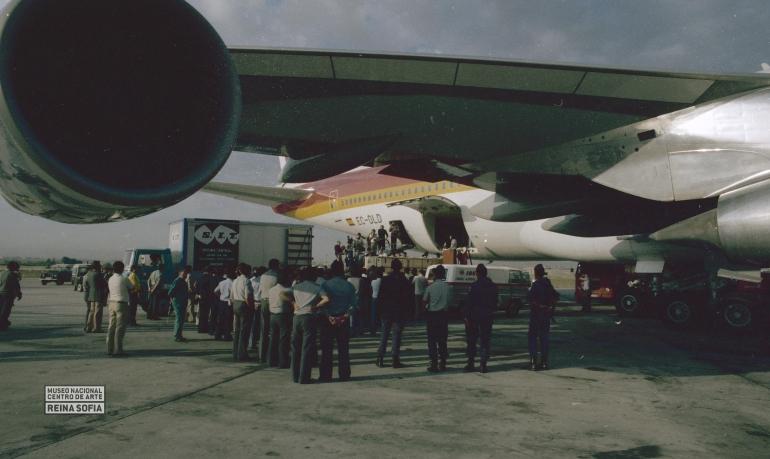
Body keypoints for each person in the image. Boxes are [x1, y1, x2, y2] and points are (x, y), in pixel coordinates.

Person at [316, 260, 357, 381]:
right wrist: (344, 316)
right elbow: (353, 305)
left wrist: (329, 316)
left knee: (326, 349)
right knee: (343, 349)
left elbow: (322, 305)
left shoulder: (325, 285)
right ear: (342, 270)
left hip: (328, 320)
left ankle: (325, 375)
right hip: (343, 320)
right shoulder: (349, 286)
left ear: (332, 271)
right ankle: (344, 374)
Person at [376, 259, 412, 368]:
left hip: (386, 311)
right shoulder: (404, 280)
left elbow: (380, 297)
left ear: (391, 267)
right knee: (397, 335)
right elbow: (408, 298)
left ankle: (380, 358)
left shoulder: (385, 279)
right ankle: (395, 359)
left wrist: (379, 311)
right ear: (400, 267)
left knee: (384, 334)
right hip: (399, 311)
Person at [289, 268, 322, 384]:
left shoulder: (296, 286)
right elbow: (327, 298)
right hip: (309, 317)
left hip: (296, 317)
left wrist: (293, 303)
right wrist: (316, 306)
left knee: (295, 348)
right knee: (306, 348)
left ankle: (295, 376)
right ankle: (304, 378)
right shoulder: (317, 287)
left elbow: (282, 293)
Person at [465, 264, 497, 373]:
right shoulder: (493, 286)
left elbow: (469, 303)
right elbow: (495, 302)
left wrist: (467, 317)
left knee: (472, 340)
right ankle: (483, 364)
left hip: (474, 316)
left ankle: (471, 362)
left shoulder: (474, 286)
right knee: (485, 340)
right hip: (487, 315)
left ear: (477, 273)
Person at [528, 264, 558, 370]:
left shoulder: (536, 285)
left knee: (533, 338)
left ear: (536, 273)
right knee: (544, 339)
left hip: (536, 315)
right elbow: (555, 297)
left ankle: (533, 362)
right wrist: (551, 309)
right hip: (546, 315)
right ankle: (544, 362)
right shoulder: (548, 284)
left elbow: (530, 299)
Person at [423, 264, 450, 372]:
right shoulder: (448, 287)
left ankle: (433, 363)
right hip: (443, 316)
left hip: (432, 315)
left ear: (435, 274)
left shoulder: (430, 287)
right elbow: (450, 302)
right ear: (444, 274)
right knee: (442, 340)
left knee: (432, 340)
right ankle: (442, 362)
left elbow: (424, 301)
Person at [268, 269, 293, 368]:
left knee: (273, 339)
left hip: (272, 315)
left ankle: (271, 360)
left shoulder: (271, 289)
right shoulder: (287, 290)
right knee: (283, 339)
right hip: (283, 315)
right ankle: (283, 361)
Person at [230, 263, 255, 361]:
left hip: (235, 303)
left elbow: (231, 296)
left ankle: (235, 352)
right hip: (244, 305)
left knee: (237, 330)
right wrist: (251, 308)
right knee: (244, 331)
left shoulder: (235, 281)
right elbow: (248, 297)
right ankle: (242, 354)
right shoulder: (247, 281)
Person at [106, 261, 131, 356]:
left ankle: (110, 348)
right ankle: (118, 350)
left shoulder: (110, 279)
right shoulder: (124, 279)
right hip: (121, 303)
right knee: (120, 328)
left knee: (111, 326)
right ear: (122, 269)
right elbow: (132, 287)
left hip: (111, 302)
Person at [258, 259, 279, 362]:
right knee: (274, 330)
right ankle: (272, 356)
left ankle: (261, 355)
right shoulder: (277, 276)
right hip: (273, 302)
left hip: (263, 301)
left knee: (264, 329)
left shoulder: (263, 275)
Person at [168, 266, 191, 342]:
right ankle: (177, 335)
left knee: (181, 319)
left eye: (186, 273)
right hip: (178, 302)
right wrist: (173, 301)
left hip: (182, 302)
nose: (186, 274)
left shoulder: (183, 281)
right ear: (180, 273)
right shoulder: (177, 281)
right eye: (184, 273)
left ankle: (179, 335)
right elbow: (170, 292)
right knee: (179, 318)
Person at [84, 261, 107, 333]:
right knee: (98, 312)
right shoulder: (98, 274)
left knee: (91, 312)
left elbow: (86, 284)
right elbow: (104, 284)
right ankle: (97, 328)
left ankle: (89, 327)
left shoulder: (89, 274)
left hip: (91, 295)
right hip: (98, 295)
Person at [194, 266, 217, 334]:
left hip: (201, 298)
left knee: (202, 314)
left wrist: (198, 294)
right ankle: (207, 328)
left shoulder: (199, 279)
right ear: (209, 272)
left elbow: (196, 287)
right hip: (209, 298)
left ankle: (201, 328)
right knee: (208, 314)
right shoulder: (211, 278)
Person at [0, 261, 22, 331]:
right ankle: (2, 324)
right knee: (5, 311)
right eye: (17, 268)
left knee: (1, 310)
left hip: (1, 294)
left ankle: (4, 322)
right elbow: (15, 286)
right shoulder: (11, 275)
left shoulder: (1, 273)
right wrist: (19, 294)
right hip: (7, 295)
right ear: (14, 268)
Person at [214, 269, 234, 341]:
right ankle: (227, 335)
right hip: (229, 302)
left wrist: (220, 295)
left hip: (222, 301)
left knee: (220, 319)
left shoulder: (222, 282)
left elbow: (215, 291)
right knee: (228, 320)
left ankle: (217, 334)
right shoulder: (233, 283)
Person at [248, 267, 264, 348]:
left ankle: (251, 343)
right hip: (262, 303)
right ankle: (260, 343)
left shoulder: (252, 281)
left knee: (253, 324)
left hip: (253, 303)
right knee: (261, 325)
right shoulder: (264, 281)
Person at [370, 267, 382, 334]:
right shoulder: (382, 281)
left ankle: (373, 329)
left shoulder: (373, 281)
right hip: (380, 298)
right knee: (380, 314)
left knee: (373, 314)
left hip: (374, 298)